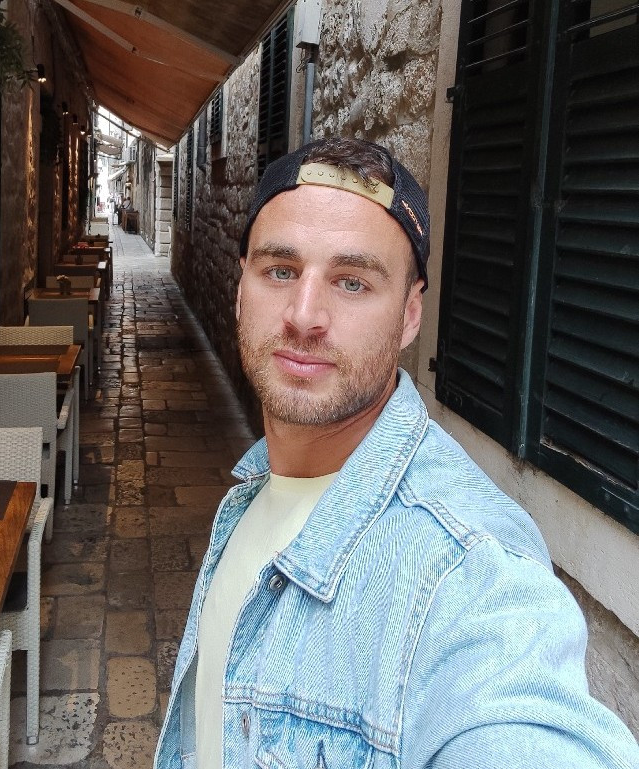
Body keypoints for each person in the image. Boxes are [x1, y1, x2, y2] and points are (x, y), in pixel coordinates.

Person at [153, 138, 639, 769]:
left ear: (411, 315)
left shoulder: (467, 574)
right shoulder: (253, 489)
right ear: (242, 287)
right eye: (280, 270)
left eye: (352, 282)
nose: (304, 316)